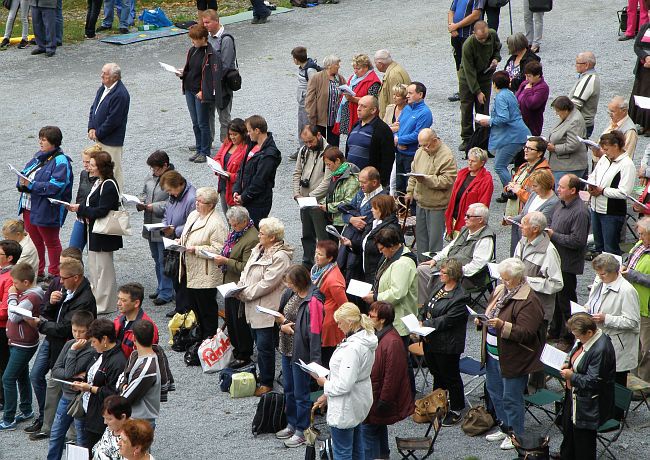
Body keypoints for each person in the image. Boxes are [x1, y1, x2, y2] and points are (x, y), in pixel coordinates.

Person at [25, 258, 96, 438]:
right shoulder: (66, 288)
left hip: (66, 345)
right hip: (53, 341)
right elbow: (47, 312)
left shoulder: (85, 299)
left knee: (60, 385)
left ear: (76, 277)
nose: (60, 281)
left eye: (64, 278)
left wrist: (40, 325)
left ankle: (64, 432)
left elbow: (66, 328)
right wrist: (51, 302)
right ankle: (48, 425)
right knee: (42, 379)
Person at [478, 258, 544, 450]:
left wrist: (501, 325)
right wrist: (482, 321)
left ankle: (516, 433)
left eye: (507, 279)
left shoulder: (529, 300)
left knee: (511, 397)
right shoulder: (501, 290)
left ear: (518, 278)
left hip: (514, 357)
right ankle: (504, 426)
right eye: (502, 278)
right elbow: (490, 312)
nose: (503, 282)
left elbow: (527, 333)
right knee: (494, 391)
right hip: (493, 354)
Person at [313, 303, 378, 460]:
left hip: (345, 405)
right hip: (358, 398)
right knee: (356, 448)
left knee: (342, 453)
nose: (338, 326)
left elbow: (344, 384)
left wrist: (325, 384)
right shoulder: (365, 339)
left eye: (340, 322)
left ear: (349, 322)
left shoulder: (352, 348)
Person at [237, 217, 293, 396]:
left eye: (262, 233)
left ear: (272, 237)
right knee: (259, 343)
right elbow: (246, 271)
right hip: (253, 304)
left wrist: (244, 293)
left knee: (265, 346)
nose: (258, 235)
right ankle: (264, 376)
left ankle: (267, 382)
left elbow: (268, 283)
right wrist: (239, 286)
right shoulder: (258, 249)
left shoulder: (280, 257)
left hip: (267, 307)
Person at [362, 227, 417, 393]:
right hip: (393, 316)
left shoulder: (402, 263)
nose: (380, 253)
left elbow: (397, 293)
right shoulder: (394, 256)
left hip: (399, 318)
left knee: (401, 360)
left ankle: (408, 393)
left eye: (382, 249)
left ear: (392, 246)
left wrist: (376, 297)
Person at [274, 265, 325, 448]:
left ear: (300, 282)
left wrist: (315, 364)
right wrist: (282, 325)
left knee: (301, 392)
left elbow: (314, 333)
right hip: (286, 349)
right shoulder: (291, 294)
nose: (288, 286)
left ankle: (302, 430)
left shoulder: (314, 301)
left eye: (290, 283)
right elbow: (282, 314)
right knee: (288, 389)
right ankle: (292, 423)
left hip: (302, 353)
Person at [67, 151, 122, 315]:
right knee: (96, 268)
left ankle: (106, 304)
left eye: (92, 165)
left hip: (103, 233)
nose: (88, 167)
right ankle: (98, 299)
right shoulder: (100, 182)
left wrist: (81, 209)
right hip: (95, 231)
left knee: (104, 269)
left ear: (100, 167)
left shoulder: (109, 184)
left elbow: (102, 210)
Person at [17, 125, 73, 281]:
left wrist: (32, 186)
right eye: (40, 139)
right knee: (35, 241)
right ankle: (39, 271)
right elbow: (24, 173)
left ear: (53, 142)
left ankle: (55, 274)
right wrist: (21, 183)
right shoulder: (39, 156)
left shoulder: (61, 161)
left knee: (51, 242)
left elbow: (57, 186)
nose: (40, 142)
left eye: (44, 140)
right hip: (29, 206)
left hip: (47, 208)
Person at [419, 259, 470, 426]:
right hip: (431, 340)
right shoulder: (439, 287)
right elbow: (427, 305)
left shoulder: (461, 297)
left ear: (453, 275)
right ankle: (438, 403)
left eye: (443, 272)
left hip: (447, 344)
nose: (440, 274)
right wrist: (421, 318)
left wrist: (424, 324)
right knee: (437, 373)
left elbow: (447, 320)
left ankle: (456, 409)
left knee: (451, 376)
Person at [559, 313, 616, 460]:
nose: (576, 338)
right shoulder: (587, 340)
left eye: (578, 335)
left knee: (584, 446)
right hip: (576, 399)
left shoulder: (601, 350)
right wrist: (570, 363)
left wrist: (571, 376)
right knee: (569, 438)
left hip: (588, 406)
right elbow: (577, 353)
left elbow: (593, 381)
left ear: (589, 332)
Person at [512, 212, 563, 372]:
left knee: (536, 351)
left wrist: (527, 281)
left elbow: (556, 284)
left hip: (539, 310)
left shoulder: (548, 251)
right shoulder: (522, 241)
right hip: (520, 304)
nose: (520, 225)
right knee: (519, 347)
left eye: (524, 223)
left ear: (535, 229)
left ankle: (536, 388)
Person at [363, 301, 414, 459]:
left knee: (368, 432)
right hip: (376, 396)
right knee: (377, 427)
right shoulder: (381, 336)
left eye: (372, 315)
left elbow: (392, 377)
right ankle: (383, 456)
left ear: (382, 320)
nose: (368, 317)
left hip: (380, 398)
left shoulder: (391, 342)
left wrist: (383, 402)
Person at [419, 202, 495, 303]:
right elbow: (449, 247)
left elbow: (477, 266)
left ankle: (440, 306)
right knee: (421, 269)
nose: (465, 218)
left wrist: (454, 273)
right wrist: (435, 259)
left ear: (480, 220)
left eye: (468, 216)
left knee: (436, 277)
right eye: (465, 215)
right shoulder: (466, 230)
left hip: (465, 277)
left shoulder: (485, 239)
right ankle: (425, 306)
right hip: (447, 267)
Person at [547, 174, 591, 347]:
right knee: (555, 299)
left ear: (573, 190)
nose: (558, 189)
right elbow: (551, 219)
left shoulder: (580, 212)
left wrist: (553, 235)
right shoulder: (561, 203)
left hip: (567, 263)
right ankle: (555, 330)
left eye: (562, 187)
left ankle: (568, 337)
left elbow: (578, 241)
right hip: (556, 259)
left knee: (566, 302)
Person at [586, 254, 640, 394]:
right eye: (597, 273)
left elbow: (633, 322)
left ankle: (617, 415)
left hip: (617, 347)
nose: (599, 277)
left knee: (616, 388)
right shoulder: (600, 281)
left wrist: (606, 318)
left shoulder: (627, 291)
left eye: (603, 274)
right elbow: (594, 301)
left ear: (615, 271)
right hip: (600, 342)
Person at [212, 206, 258, 368]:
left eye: (235, 225)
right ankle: (237, 350)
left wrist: (225, 261)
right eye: (231, 224)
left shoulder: (252, 238)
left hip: (239, 286)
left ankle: (244, 353)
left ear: (244, 221)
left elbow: (246, 266)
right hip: (229, 284)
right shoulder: (238, 233)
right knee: (231, 319)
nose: (232, 228)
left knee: (240, 322)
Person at [179, 187, 227, 339]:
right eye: (197, 200)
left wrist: (197, 249)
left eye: (201, 201)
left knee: (207, 310)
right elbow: (187, 235)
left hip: (206, 274)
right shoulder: (194, 215)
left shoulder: (217, 223)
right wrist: (179, 241)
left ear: (211, 205)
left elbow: (220, 250)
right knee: (194, 307)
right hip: (192, 268)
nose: (197, 204)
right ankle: (199, 337)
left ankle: (209, 340)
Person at [70, 318, 127, 450]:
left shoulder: (118, 362)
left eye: (94, 341)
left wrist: (90, 388)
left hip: (100, 419)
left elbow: (114, 393)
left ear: (105, 339)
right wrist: (82, 383)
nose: (92, 345)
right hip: (89, 411)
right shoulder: (100, 353)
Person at [46, 311, 95, 460]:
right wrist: (72, 373)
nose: (78, 335)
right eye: (74, 331)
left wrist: (73, 352)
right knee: (56, 434)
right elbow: (56, 370)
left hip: (79, 400)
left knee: (81, 439)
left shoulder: (90, 349)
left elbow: (67, 372)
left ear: (89, 330)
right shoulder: (68, 343)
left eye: (82, 331)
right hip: (66, 397)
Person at [0, 263, 43, 431]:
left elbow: (13, 315)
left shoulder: (30, 297)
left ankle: (9, 418)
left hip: (23, 344)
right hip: (19, 342)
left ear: (26, 282)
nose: (13, 286)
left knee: (8, 378)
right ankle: (26, 409)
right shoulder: (28, 293)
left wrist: (11, 296)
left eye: (15, 283)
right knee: (21, 375)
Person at [405, 128, 458, 261]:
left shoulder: (447, 156)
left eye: (425, 145)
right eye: (420, 145)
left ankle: (434, 270)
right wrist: (410, 191)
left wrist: (426, 179)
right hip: (421, 202)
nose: (423, 149)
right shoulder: (420, 152)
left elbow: (448, 180)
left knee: (434, 242)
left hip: (437, 205)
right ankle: (422, 268)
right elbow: (413, 172)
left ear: (434, 141)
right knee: (421, 239)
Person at [586, 131, 636, 256]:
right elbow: (593, 175)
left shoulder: (627, 165)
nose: (604, 151)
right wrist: (590, 186)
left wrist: (602, 191)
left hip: (612, 213)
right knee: (599, 247)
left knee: (610, 250)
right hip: (596, 208)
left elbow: (624, 192)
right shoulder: (604, 158)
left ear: (616, 146)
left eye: (606, 149)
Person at [478, 70, 530, 187]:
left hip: (512, 136)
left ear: (495, 84)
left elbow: (503, 118)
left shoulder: (501, 97)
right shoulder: (509, 93)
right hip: (518, 133)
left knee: (499, 166)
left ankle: (512, 192)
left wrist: (489, 121)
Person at [336, 167, 388, 284]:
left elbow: (366, 223)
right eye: (359, 182)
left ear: (374, 183)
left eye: (363, 182)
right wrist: (351, 219)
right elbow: (345, 212)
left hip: (362, 245)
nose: (360, 185)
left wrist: (351, 216)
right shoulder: (362, 192)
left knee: (355, 278)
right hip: (349, 240)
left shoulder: (382, 199)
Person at [458, 20, 501, 151]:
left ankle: (482, 138)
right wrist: (477, 92)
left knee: (483, 108)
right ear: (473, 33)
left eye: (484, 37)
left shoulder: (492, 35)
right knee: (467, 108)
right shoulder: (468, 45)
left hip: (485, 77)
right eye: (479, 38)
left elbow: (497, 48)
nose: (483, 40)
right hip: (467, 79)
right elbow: (469, 71)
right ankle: (467, 139)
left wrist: (496, 59)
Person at [341, 194, 402, 287]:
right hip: (367, 273)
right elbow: (366, 246)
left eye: (374, 208)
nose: (371, 210)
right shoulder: (373, 223)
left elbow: (384, 253)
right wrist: (351, 244)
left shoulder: (390, 230)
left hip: (378, 276)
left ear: (382, 209)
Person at [179, 25, 219, 164]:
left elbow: (213, 76)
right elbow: (190, 69)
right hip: (190, 90)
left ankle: (205, 151)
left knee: (203, 123)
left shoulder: (211, 53)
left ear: (203, 38)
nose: (193, 42)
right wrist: (182, 73)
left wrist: (204, 91)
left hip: (201, 92)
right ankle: (198, 148)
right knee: (195, 123)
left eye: (195, 39)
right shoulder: (192, 50)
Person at [137, 151, 173, 306]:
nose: (153, 171)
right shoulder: (151, 176)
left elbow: (172, 203)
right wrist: (141, 201)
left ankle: (167, 292)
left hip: (162, 225)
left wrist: (152, 207)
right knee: (156, 258)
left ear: (165, 166)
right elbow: (144, 192)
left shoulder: (172, 179)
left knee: (163, 259)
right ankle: (161, 287)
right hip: (150, 224)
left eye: (156, 169)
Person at [233, 115, 282, 226]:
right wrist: (236, 189)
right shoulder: (253, 145)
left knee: (253, 235)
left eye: (249, 131)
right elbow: (242, 169)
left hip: (258, 203)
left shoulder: (269, 154)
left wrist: (244, 197)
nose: (248, 134)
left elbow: (259, 180)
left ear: (257, 130)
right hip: (245, 198)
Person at [292, 125, 331, 267]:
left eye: (311, 141)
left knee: (322, 236)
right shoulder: (304, 151)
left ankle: (325, 265)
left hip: (319, 203)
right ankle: (307, 263)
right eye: (306, 142)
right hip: (304, 201)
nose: (309, 145)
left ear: (319, 135)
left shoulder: (329, 152)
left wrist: (310, 196)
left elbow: (327, 181)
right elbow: (297, 173)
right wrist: (297, 194)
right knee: (307, 234)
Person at [88, 63, 130, 191]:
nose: (101, 75)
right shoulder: (103, 88)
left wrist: (98, 133)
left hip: (112, 140)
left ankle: (117, 195)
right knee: (100, 168)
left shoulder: (120, 94)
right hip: (100, 137)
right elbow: (94, 108)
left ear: (115, 77)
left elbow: (113, 120)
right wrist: (91, 127)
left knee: (114, 169)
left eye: (105, 74)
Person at [160, 170, 196, 318]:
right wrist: (164, 225)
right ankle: (180, 307)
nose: (170, 193)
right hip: (172, 239)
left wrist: (175, 229)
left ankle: (185, 310)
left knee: (183, 278)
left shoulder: (191, 199)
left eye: (170, 190)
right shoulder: (174, 196)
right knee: (175, 275)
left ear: (179, 185)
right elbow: (166, 213)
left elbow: (193, 222)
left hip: (182, 241)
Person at [202, 10, 237, 147]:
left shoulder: (226, 39)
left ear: (216, 21)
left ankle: (226, 143)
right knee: (208, 113)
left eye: (208, 22)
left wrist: (213, 81)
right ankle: (208, 141)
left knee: (224, 115)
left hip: (222, 85)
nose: (205, 25)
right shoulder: (208, 37)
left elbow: (226, 65)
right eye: (204, 22)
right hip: (210, 83)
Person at [117, 320, 161, 429]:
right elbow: (122, 377)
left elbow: (126, 398)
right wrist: (124, 385)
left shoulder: (147, 369)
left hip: (139, 422)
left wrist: (122, 386)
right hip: (138, 419)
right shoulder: (135, 355)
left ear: (134, 338)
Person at [311, 240, 347, 368]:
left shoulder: (333, 280)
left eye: (320, 254)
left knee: (326, 359)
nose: (316, 256)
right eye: (316, 253)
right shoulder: (319, 270)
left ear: (330, 258)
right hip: (320, 318)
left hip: (329, 324)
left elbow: (344, 305)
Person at [622, 217, 650, 381]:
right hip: (634, 303)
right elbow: (631, 258)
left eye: (642, 235)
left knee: (646, 348)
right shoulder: (641, 245)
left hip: (647, 308)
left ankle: (644, 384)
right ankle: (633, 380)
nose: (638, 238)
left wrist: (633, 275)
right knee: (634, 345)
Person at [507, 169, 559, 256]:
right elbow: (524, 215)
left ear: (544, 185)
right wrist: (512, 219)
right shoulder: (534, 194)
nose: (532, 189)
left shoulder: (553, 202)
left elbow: (540, 224)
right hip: (523, 235)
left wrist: (524, 224)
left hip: (536, 242)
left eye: (535, 186)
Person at [445, 147, 494, 239]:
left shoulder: (486, 180)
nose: (470, 163)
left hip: (469, 224)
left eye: (474, 161)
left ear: (482, 163)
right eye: (469, 160)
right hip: (455, 220)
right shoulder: (462, 173)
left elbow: (483, 206)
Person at [394, 82, 433, 192]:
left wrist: (399, 140)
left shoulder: (425, 113)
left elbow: (419, 135)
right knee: (399, 186)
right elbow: (397, 127)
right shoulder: (406, 108)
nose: (407, 96)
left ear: (420, 95)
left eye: (410, 93)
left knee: (410, 189)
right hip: (400, 153)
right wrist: (397, 140)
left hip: (412, 157)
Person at [345, 95, 394, 185]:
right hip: (351, 178)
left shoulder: (382, 130)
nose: (358, 108)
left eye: (363, 106)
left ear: (373, 110)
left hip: (369, 181)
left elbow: (387, 159)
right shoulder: (355, 126)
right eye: (358, 105)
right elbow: (348, 150)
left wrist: (381, 182)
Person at [498, 136, 550, 212]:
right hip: (517, 214)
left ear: (539, 153)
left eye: (530, 149)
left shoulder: (543, 173)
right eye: (525, 147)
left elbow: (538, 200)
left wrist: (518, 191)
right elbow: (513, 183)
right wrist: (508, 188)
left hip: (530, 216)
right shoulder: (524, 166)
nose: (525, 150)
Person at [446, 0, 485, 102]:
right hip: (456, 35)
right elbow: (451, 11)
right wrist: (451, 26)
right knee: (459, 63)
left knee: (470, 64)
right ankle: (462, 89)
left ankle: (474, 89)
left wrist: (456, 26)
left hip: (469, 35)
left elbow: (475, 15)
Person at [305, 55, 346, 147]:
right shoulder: (316, 78)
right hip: (320, 118)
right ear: (329, 66)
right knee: (320, 144)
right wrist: (311, 116)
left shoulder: (339, 78)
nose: (339, 66)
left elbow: (346, 93)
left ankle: (332, 160)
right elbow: (310, 99)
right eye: (337, 64)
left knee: (334, 145)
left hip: (335, 118)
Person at [336, 54, 381, 137]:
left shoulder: (373, 81)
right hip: (351, 114)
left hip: (361, 116)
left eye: (358, 68)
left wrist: (353, 99)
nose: (355, 71)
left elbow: (373, 101)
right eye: (354, 68)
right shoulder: (354, 78)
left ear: (366, 67)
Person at [0, 240, 22, 412]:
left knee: (3, 365)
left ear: (9, 258)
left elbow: (5, 310)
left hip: (2, 328)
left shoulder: (10, 278)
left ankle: (3, 400)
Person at [546, 96, 588, 185]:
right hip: (562, 165)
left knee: (562, 192)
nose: (556, 114)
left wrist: (555, 148)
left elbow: (573, 144)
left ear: (565, 110)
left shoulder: (575, 121)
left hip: (569, 166)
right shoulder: (568, 116)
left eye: (557, 111)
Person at [290, 46, 321, 159]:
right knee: (301, 124)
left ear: (296, 59)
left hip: (307, 103)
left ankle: (307, 148)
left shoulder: (309, 70)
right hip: (303, 101)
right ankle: (303, 147)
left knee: (305, 125)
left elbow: (314, 86)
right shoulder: (303, 67)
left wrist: (309, 101)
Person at [319, 147, 360, 231]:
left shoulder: (351, 178)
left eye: (329, 164)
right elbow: (332, 195)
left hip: (343, 222)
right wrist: (322, 203)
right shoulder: (336, 174)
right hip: (334, 220)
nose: (328, 168)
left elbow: (349, 202)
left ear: (337, 161)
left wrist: (328, 207)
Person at [114, 283, 159, 359]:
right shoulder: (118, 321)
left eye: (123, 300)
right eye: (118, 299)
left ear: (136, 303)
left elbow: (144, 359)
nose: (118, 303)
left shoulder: (146, 329)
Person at [213, 119, 249, 213]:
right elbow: (218, 156)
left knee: (236, 220)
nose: (232, 137)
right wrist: (218, 168)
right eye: (230, 134)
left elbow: (246, 174)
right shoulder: (228, 142)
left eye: (235, 134)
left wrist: (231, 176)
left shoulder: (246, 149)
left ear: (242, 133)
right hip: (223, 186)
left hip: (235, 190)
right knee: (227, 216)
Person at [69, 145, 101, 251]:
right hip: (80, 218)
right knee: (72, 252)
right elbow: (81, 194)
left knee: (95, 255)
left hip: (94, 221)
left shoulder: (103, 179)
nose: (85, 165)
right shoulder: (84, 174)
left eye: (88, 162)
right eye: (84, 162)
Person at [590, 96, 639, 164]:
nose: (610, 114)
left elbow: (625, 157)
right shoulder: (614, 121)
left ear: (624, 111)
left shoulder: (630, 131)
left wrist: (601, 154)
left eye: (612, 111)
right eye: (609, 111)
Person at [568, 52, 600, 138]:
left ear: (586, 65)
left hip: (581, 124)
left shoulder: (589, 79)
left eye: (577, 63)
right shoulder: (586, 76)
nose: (575, 65)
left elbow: (576, 104)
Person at [515, 61, 549, 137]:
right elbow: (516, 98)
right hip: (519, 123)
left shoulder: (543, 88)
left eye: (529, 76)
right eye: (526, 76)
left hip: (532, 125)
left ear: (538, 75)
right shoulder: (525, 83)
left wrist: (527, 91)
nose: (527, 78)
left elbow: (532, 104)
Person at [91, 395, 131, 460]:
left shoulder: (131, 438)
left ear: (123, 417)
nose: (105, 422)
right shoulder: (110, 429)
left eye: (109, 419)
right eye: (104, 418)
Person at [373, 49, 411, 118]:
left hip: (393, 119)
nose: (375, 65)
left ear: (380, 64)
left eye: (375, 63)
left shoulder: (393, 75)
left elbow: (395, 101)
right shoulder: (395, 69)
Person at [629, 21, 650, 135]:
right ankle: (643, 124)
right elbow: (637, 46)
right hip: (643, 69)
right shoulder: (645, 27)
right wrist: (645, 57)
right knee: (642, 96)